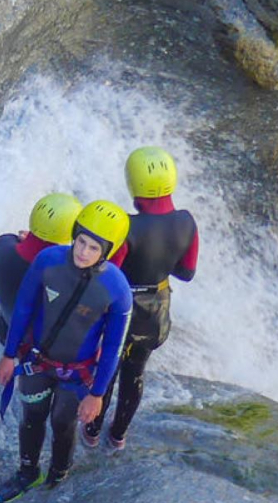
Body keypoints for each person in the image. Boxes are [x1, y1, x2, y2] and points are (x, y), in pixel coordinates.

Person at [0, 199, 134, 503]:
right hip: (37, 361)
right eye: (80, 241)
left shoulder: (117, 289)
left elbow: (113, 346)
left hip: (78, 372)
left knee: (62, 423)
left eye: (94, 248)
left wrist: (97, 393)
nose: (83, 252)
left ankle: (58, 472)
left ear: (107, 252)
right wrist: (8, 353)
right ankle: (29, 473)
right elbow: (23, 308)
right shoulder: (49, 261)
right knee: (32, 416)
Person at [82, 146, 199, 450]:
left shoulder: (127, 228)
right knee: (136, 372)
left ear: (133, 184)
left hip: (124, 310)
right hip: (156, 311)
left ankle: (92, 432)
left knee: (108, 369)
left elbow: (109, 276)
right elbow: (187, 272)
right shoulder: (187, 222)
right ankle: (118, 436)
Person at [0, 192, 84, 344]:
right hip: (38, 346)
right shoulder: (64, 275)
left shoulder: (2, 244)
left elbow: (22, 245)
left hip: (8, 325)